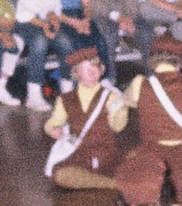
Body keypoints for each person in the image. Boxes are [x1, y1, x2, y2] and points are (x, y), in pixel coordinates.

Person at [119, 34, 182, 206]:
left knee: (153, 198)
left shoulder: (139, 83)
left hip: (151, 153)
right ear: (180, 62)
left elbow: (126, 101)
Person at [42, 47, 127, 190]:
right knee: (60, 174)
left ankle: (99, 181)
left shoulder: (111, 96)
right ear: (76, 73)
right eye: (87, 68)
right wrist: (52, 129)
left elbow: (118, 126)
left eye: (95, 67)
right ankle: (112, 183)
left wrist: (121, 110)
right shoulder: (65, 99)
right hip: (80, 153)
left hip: (106, 153)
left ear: (101, 69)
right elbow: (52, 123)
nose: (92, 71)